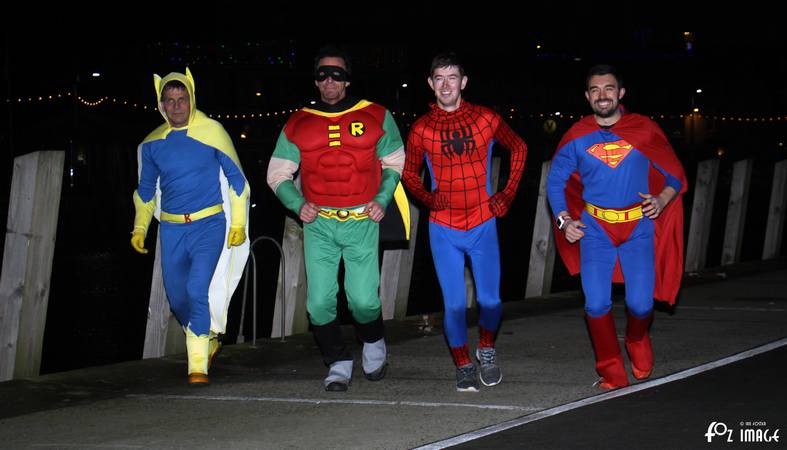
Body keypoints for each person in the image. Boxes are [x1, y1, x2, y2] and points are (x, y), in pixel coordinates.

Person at [266, 45, 408, 392]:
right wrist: (298, 204)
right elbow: (277, 174)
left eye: (337, 74)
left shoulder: (376, 114)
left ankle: (374, 344)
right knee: (318, 304)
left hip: (362, 220)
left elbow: (395, 161)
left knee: (362, 299)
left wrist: (381, 198)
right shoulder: (298, 120)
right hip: (319, 224)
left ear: (347, 79)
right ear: (316, 81)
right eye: (323, 74)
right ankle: (338, 361)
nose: (330, 80)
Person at [546, 64, 687, 390]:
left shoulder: (644, 129)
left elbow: (673, 171)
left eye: (608, 88)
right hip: (596, 230)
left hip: (638, 228)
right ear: (587, 96)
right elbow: (555, 185)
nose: (602, 95)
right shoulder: (576, 136)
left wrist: (663, 198)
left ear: (620, 93)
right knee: (595, 304)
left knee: (640, 304)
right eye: (595, 90)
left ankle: (637, 340)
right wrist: (564, 221)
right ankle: (611, 371)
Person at [401, 52, 527, 392]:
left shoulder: (486, 118)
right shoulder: (422, 129)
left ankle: (486, 347)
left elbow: (519, 148)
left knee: (491, 301)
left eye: (452, 77)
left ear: (464, 82)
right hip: (443, 228)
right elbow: (409, 174)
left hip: (483, 223)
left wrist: (507, 194)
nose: (445, 84)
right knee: (454, 304)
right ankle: (462, 363)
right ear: (430, 84)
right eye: (439, 78)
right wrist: (427, 198)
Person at [130, 68, 250, 386]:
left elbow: (238, 182)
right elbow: (144, 191)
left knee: (197, 289)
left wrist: (238, 223)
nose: (176, 106)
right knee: (178, 298)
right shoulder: (153, 144)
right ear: (161, 104)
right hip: (171, 230)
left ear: (191, 98)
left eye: (182, 98)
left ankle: (197, 366)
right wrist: (140, 228)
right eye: (169, 100)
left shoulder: (213, 132)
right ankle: (207, 339)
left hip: (209, 225)